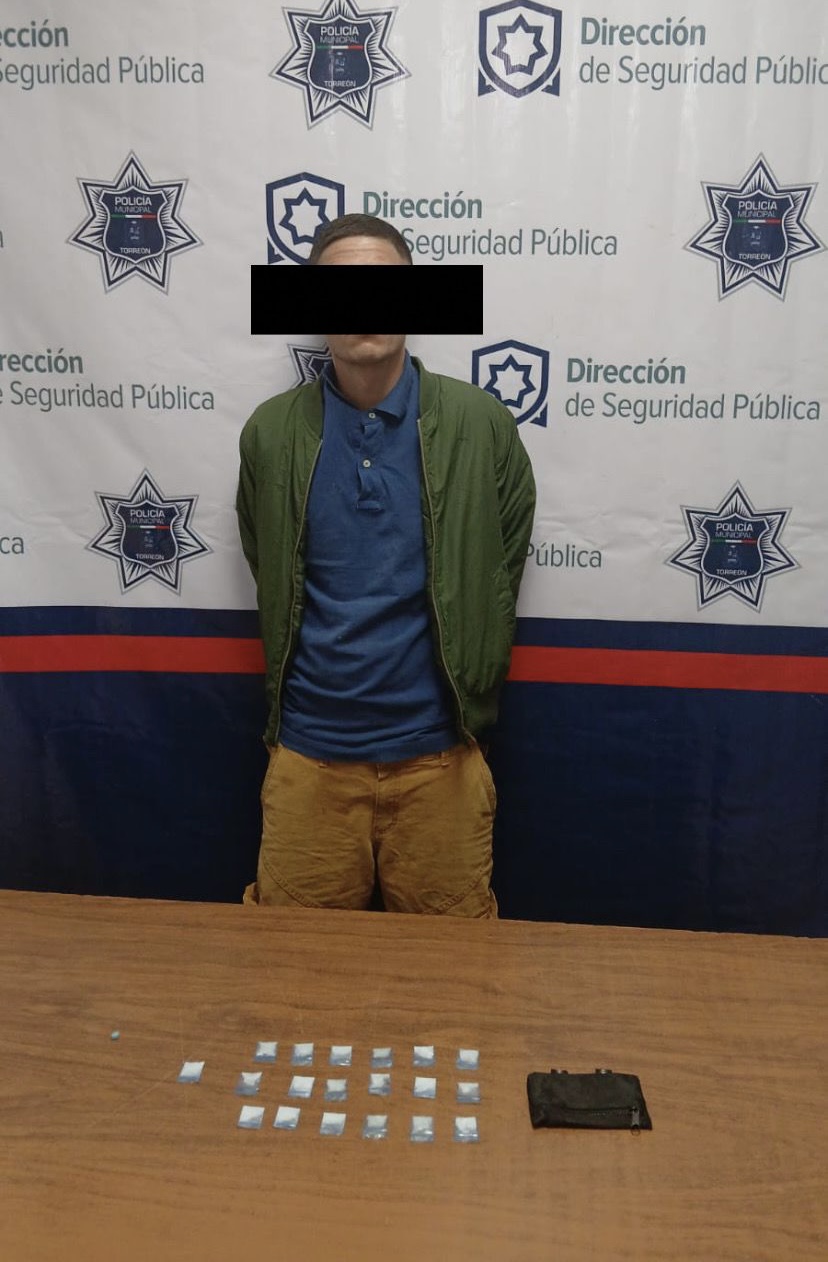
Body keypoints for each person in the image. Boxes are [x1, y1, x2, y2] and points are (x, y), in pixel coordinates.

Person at [236, 213, 535, 916]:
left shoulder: (481, 424)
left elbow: (501, 564)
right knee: (291, 971)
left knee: (453, 973)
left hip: (441, 764)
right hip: (308, 763)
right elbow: (265, 557)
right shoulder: (270, 433)